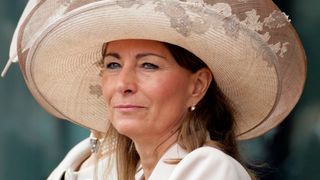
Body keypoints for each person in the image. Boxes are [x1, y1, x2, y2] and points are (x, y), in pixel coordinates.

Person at [2, 0, 306, 179]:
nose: (123, 84)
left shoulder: (209, 169)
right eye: (112, 65)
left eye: (149, 65)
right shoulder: (114, 167)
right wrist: (89, 151)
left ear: (197, 85)